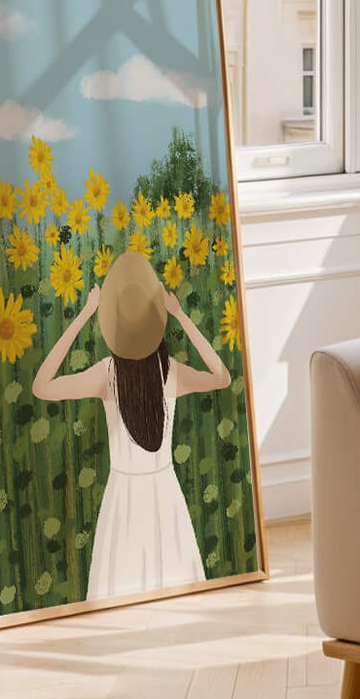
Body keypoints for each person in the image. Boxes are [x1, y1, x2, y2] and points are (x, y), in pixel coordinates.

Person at [32, 249, 232, 600]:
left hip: (123, 497)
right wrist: (181, 315)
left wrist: (83, 315)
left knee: (117, 593)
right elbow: (222, 377)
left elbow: (41, 386)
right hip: (164, 493)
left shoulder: (106, 375)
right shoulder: (170, 373)